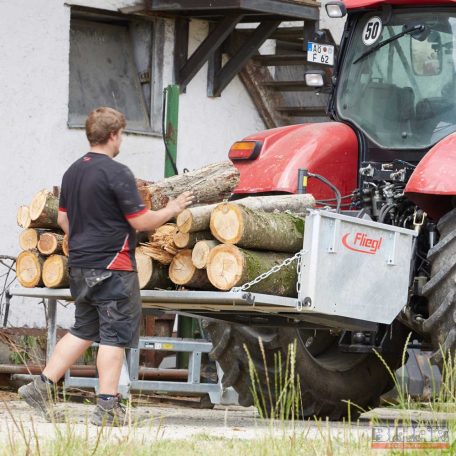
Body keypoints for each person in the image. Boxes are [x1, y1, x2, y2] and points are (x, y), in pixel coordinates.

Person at [18, 107, 193, 426]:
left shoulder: (72, 172)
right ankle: (107, 407)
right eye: (122, 133)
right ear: (113, 135)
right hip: (113, 267)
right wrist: (172, 208)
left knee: (84, 329)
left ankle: (42, 387)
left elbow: (61, 219)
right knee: (113, 336)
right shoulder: (117, 172)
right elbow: (140, 221)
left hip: (81, 266)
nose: (122, 139)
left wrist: (85, 237)